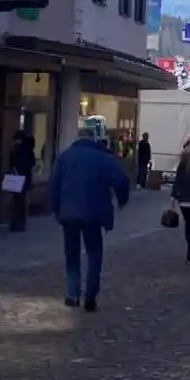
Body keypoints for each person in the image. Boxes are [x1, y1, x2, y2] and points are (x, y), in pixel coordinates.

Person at [50, 128, 129, 311]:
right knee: (94, 253)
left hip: (69, 212)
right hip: (94, 212)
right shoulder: (102, 158)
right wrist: (122, 200)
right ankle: (90, 296)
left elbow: (54, 184)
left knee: (72, 254)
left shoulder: (65, 157)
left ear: (77, 138)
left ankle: (72, 294)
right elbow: (120, 179)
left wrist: (56, 209)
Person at [8, 130, 36, 232]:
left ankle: (17, 223)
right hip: (24, 178)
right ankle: (19, 223)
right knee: (21, 201)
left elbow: (16, 163)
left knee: (19, 201)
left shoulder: (20, 151)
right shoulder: (28, 150)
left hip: (19, 177)